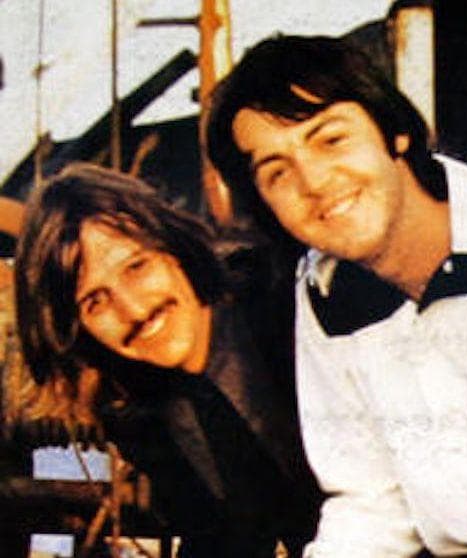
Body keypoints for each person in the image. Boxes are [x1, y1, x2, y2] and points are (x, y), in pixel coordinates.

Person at [205, 35, 467, 557]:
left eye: (331, 140)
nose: (314, 182)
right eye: (277, 172)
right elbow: (371, 501)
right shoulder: (325, 292)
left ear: (395, 133)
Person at [14, 163, 321, 557]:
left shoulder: (286, 310)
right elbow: (218, 537)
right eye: (95, 301)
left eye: (136, 266)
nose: (134, 309)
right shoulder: (142, 411)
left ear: (172, 246)